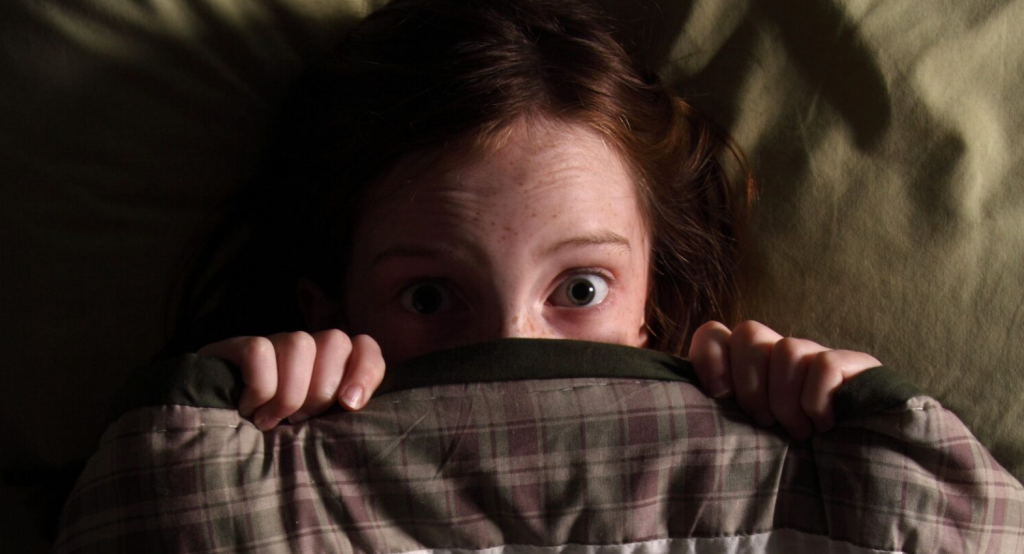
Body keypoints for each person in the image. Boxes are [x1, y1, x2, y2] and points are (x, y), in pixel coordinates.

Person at [173, 0, 880, 441]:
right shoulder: (266, 455)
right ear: (331, 309)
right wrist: (219, 416)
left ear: (653, 304)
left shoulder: (758, 447)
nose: (512, 350)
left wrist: (860, 427)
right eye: (429, 297)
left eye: (580, 290)